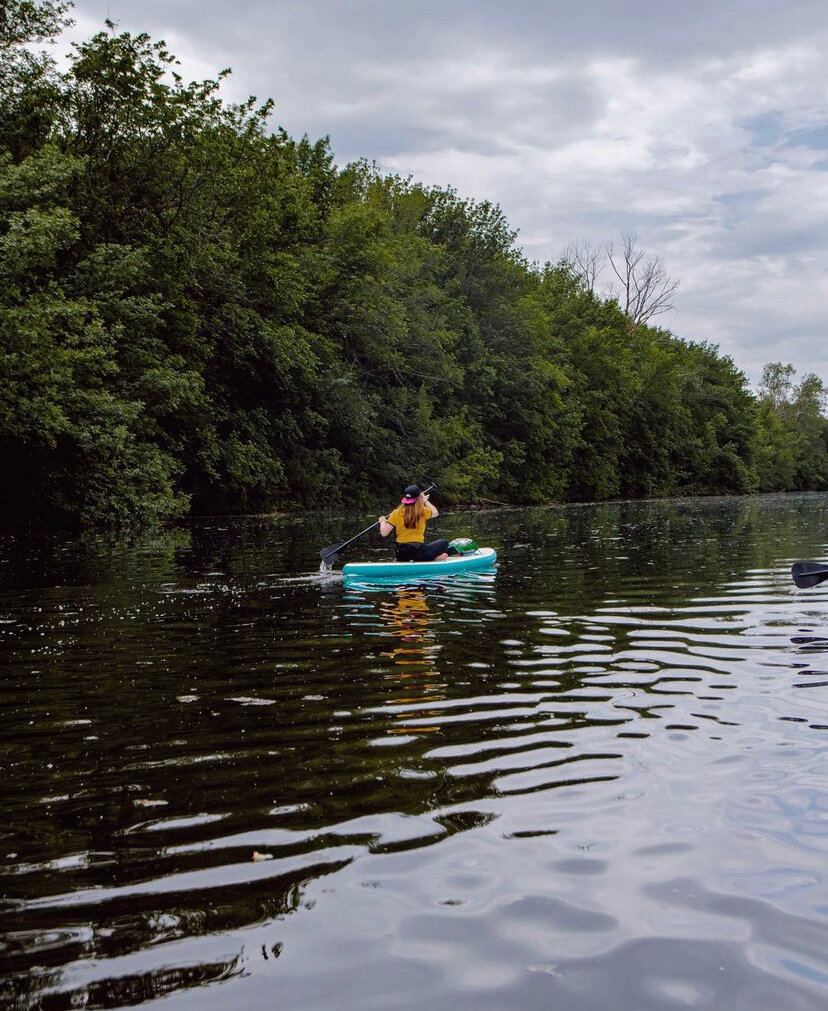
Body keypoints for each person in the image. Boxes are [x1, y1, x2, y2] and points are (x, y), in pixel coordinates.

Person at [379, 484, 450, 561]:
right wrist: (425, 501)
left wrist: (382, 522)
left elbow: (384, 533)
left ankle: (426, 558)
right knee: (444, 543)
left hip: (401, 554)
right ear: (419, 498)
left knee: (419, 550)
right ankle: (432, 558)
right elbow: (435, 512)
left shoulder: (396, 513)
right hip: (418, 553)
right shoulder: (422, 511)